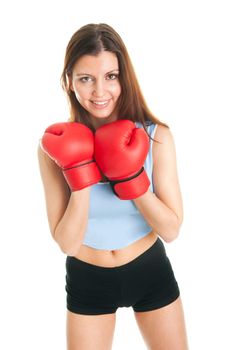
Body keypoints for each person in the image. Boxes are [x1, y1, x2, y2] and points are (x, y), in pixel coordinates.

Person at [38, 23, 188, 350]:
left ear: (123, 77)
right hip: (87, 278)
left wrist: (133, 180)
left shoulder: (156, 136)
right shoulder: (53, 149)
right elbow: (66, 242)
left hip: (149, 269)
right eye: (86, 79)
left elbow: (172, 230)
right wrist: (80, 176)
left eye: (110, 76)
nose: (99, 92)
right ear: (69, 82)